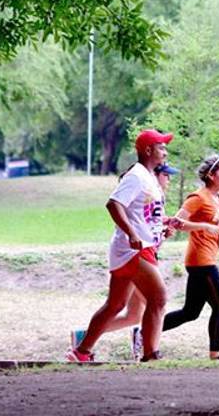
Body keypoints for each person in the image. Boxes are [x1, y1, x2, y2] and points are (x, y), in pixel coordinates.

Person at [66, 129, 172, 363]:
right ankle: (151, 355)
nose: (165, 151)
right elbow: (114, 205)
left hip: (140, 247)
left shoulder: (150, 178)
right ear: (147, 150)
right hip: (132, 248)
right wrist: (132, 233)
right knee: (158, 298)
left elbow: (144, 214)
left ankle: (81, 352)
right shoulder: (136, 175)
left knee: (116, 305)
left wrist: (165, 226)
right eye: (161, 147)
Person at [163, 153, 219, 360]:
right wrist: (204, 225)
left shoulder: (218, 198)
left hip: (206, 258)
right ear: (211, 175)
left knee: (190, 312)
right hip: (200, 261)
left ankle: (143, 333)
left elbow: (212, 232)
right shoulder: (198, 197)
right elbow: (176, 222)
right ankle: (215, 353)